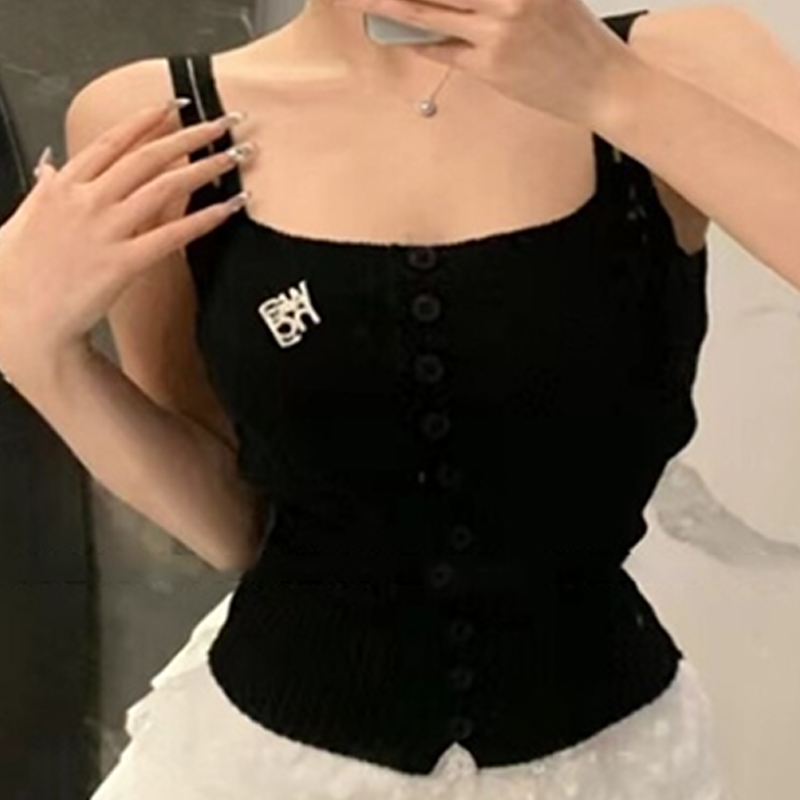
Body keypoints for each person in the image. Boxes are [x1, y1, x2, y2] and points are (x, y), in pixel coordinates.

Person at [0, 1, 736, 798]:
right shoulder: (160, 117)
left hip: (615, 761)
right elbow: (234, 527)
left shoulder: (669, 61)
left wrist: (612, 90)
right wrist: (39, 360)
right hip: (262, 763)